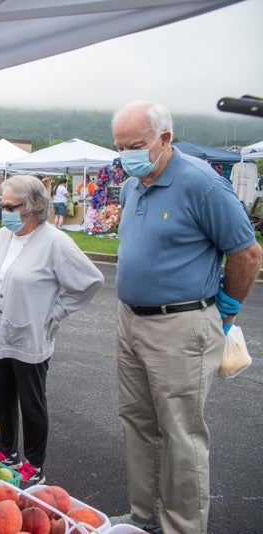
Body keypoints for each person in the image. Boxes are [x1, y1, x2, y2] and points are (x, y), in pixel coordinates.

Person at [109, 101, 262, 534]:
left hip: (181, 325)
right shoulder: (132, 185)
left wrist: (225, 312)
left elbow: (247, 254)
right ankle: (145, 518)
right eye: (119, 147)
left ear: (164, 139)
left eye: (134, 145)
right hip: (131, 320)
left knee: (180, 435)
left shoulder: (202, 184)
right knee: (138, 422)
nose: (125, 156)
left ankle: (182, 527)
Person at [0, 174, 104, 488]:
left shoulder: (55, 242)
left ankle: (34, 464)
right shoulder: (7, 235)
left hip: (30, 335)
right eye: (1, 203)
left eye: (11, 205)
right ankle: (6, 452)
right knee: (2, 397)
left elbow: (90, 281)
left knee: (32, 402)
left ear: (34, 206)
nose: (3, 210)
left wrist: (55, 314)